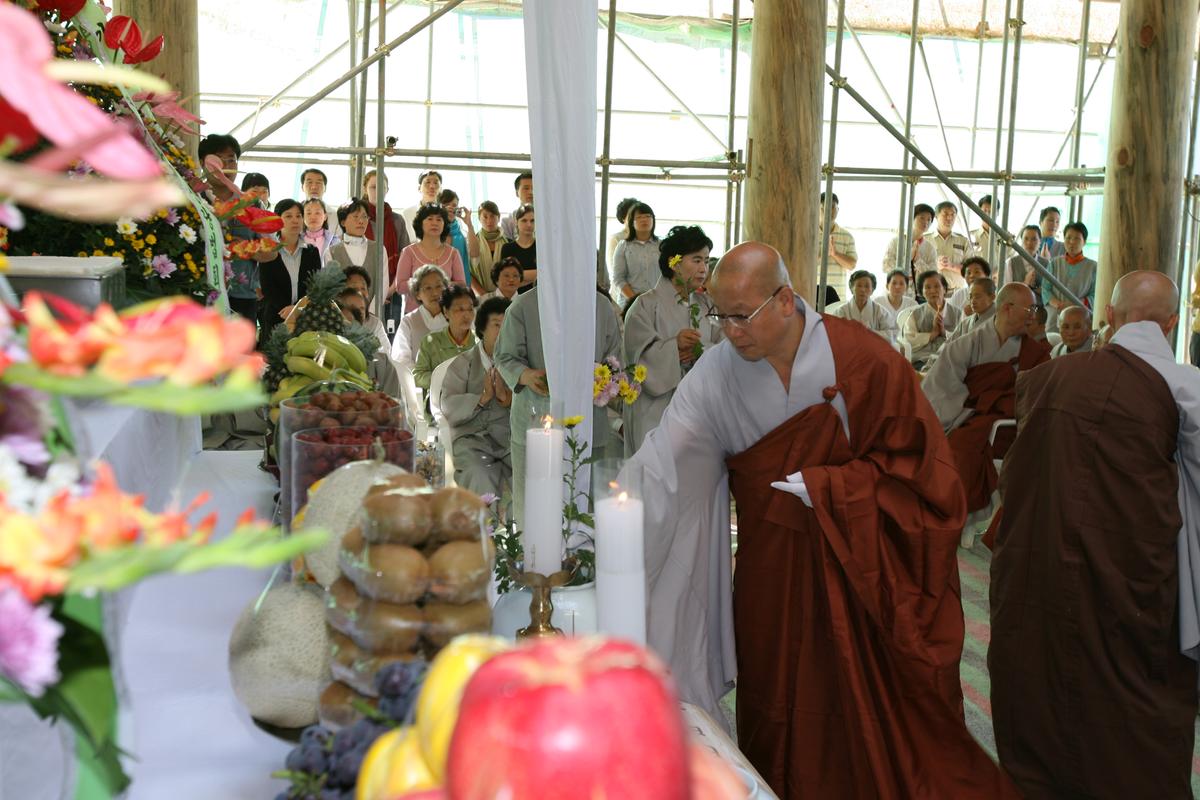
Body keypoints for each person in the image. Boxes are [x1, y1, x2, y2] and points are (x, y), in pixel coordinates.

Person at [629, 241, 1018, 799]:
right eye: (720, 316)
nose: (729, 331)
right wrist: (607, 521)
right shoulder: (717, 372)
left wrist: (835, 487)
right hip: (771, 568)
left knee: (869, 711)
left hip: (860, 567)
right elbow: (667, 460)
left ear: (786, 301)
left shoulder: (863, 360)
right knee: (775, 698)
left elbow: (928, 481)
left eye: (742, 316)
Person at [990, 271, 1200, 800]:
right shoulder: (1188, 387)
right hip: (1137, 573)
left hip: (1044, 561)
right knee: (1134, 688)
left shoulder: (1052, 378)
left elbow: (1021, 475)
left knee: (1044, 669)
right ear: (1173, 321)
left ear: (1108, 315)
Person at [921, 283, 1050, 537]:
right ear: (1008, 308)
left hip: (1012, 425)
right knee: (957, 447)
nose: (1033, 315)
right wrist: (964, 414)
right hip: (970, 418)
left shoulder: (1034, 352)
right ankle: (954, 516)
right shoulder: (969, 343)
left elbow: (1039, 393)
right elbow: (942, 385)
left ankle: (965, 518)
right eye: (1029, 308)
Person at [495, 281, 621, 526]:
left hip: (590, 420)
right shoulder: (524, 304)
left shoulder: (601, 305)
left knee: (584, 502)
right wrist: (525, 375)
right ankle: (530, 561)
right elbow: (504, 355)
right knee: (535, 507)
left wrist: (606, 381)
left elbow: (614, 357)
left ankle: (581, 559)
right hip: (537, 418)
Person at [621, 225, 721, 456]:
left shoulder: (707, 305)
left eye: (706, 261)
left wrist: (701, 351)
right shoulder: (645, 305)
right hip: (655, 411)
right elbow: (637, 361)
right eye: (696, 260)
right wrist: (673, 348)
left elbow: (726, 349)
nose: (703, 269)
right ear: (674, 263)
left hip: (700, 410)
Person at [439, 297, 513, 498]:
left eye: (509, 325)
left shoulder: (518, 365)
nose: (504, 331)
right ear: (481, 329)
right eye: (497, 325)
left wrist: (508, 400)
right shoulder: (463, 364)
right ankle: (485, 529)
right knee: (479, 473)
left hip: (509, 440)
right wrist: (482, 398)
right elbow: (448, 405)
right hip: (472, 440)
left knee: (532, 472)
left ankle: (525, 530)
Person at [258, 199, 322, 345]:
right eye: (288, 216)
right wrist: (287, 310)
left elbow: (315, 285)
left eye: (298, 216)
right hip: (276, 317)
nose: (295, 220)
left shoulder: (312, 252)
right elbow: (268, 286)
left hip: (304, 319)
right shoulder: (269, 249)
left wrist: (298, 309)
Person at [393, 203, 466, 314]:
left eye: (439, 220)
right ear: (420, 223)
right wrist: (425, 284)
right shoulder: (408, 252)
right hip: (415, 315)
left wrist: (440, 285)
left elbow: (461, 285)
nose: (434, 223)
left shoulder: (453, 253)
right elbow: (400, 287)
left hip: (446, 314)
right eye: (430, 219)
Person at [414, 284, 477, 399]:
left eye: (470, 309)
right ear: (446, 311)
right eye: (460, 309)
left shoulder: (479, 343)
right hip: (438, 405)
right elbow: (418, 376)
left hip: (474, 405)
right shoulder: (431, 342)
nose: (466, 315)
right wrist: (443, 380)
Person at [362, 169, 412, 306]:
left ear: (387, 190)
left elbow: (405, 258)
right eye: (373, 187)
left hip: (392, 291)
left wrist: (389, 290)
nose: (378, 191)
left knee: (390, 327)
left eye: (382, 188)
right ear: (365, 189)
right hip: (361, 293)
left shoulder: (397, 220)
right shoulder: (358, 219)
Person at [390, 264, 449, 372]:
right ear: (417, 294)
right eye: (428, 288)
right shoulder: (409, 321)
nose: (435, 293)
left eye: (439, 286)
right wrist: (422, 379)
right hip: (418, 385)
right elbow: (401, 358)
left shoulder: (455, 317)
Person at [900, 269, 962, 369]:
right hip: (922, 359)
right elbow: (909, 339)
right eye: (927, 287)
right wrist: (932, 334)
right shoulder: (915, 314)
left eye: (937, 286)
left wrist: (944, 332)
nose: (933, 291)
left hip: (950, 358)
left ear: (945, 289)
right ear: (921, 292)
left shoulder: (958, 313)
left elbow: (963, 339)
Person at [1042, 221, 1095, 332]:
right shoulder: (1054, 263)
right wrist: (1058, 304)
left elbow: (1095, 294)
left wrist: (1075, 303)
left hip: (1081, 316)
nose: (1072, 242)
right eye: (1068, 238)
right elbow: (1045, 288)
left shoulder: (1093, 267)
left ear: (1084, 242)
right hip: (1055, 315)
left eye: (1077, 239)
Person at [610, 202, 662, 303]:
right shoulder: (623, 246)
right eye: (639, 217)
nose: (644, 220)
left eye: (648, 216)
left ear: (653, 220)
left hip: (658, 301)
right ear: (631, 222)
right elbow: (618, 278)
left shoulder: (661, 246)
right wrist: (635, 300)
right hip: (630, 302)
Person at [882, 203, 937, 286]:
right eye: (922, 218)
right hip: (896, 289)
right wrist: (908, 258)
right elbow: (886, 267)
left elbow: (932, 274)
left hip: (919, 293)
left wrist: (918, 261)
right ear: (912, 218)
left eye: (929, 220)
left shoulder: (930, 248)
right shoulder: (896, 241)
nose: (925, 222)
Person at [833, 270, 895, 340]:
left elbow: (890, 335)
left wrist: (870, 332)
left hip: (874, 349)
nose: (862, 289)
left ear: (872, 290)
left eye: (866, 286)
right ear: (851, 288)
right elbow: (835, 335)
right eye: (859, 285)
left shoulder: (881, 312)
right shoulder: (841, 311)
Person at [342, 265, 389, 353]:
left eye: (363, 288)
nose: (360, 293)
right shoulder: (332, 321)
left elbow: (386, 356)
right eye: (354, 289)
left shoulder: (375, 324)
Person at [816, 192, 858, 290]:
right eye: (824, 208)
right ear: (818, 209)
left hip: (838, 295)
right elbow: (804, 265)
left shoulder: (847, 236)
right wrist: (824, 255)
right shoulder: (810, 234)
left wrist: (835, 254)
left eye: (833, 207)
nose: (829, 211)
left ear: (838, 209)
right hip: (813, 293)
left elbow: (851, 265)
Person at [438, 189, 475, 288]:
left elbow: (475, 254)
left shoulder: (462, 231)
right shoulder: (433, 232)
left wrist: (469, 224)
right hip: (438, 286)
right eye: (446, 205)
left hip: (460, 287)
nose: (450, 208)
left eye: (454, 205)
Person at [929, 201, 970, 290]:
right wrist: (935, 266)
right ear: (936, 216)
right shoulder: (926, 239)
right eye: (945, 214)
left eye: (953, 215)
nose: (949, 218)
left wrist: (951, 265)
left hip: (956, 293)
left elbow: (970, 270)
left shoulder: (963, 241)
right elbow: (915, 268)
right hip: (931, 291)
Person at [470, 200, 508, 294]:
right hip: (480, 295)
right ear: (479, 218)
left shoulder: (507, 243)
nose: (489, 221)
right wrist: (483, 294)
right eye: (485, 217)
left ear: (498, 218)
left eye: (492, 216)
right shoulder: (473, 242)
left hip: (505, 293)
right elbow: (468, 272)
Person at [498, 204, 536, 286]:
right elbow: (507, 281)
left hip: (540, 296)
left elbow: (546, 275)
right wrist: (536, 274)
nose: (529, 225)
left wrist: (517, 274)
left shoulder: (541, 248)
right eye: (524, 220)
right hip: (515, 297)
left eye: (532, 221)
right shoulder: (507, 248)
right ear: (516, 222)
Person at [301, 168, 340, 239]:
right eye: (309, 182)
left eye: (319, 183)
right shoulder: (295, 212)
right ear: (302, 187)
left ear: (325, 188)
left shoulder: (335, 215)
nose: (314, 187)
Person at [301, 198, 339, 264]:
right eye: (309, 213)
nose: (313, 217)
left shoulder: (334, 241)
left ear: (325, 216)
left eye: (317, 213)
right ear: (303, 217)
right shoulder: (297, 240)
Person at [606, 196, 639, 270]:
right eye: (631, 214)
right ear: (623, 218)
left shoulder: (645, 236)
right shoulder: (616, 238)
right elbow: (613, 268)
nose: (635, 217)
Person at [500, 171, 533, 240]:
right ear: (517, 193)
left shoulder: (548, 218)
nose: (531, 192)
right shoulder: (508, 221)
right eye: (526, 188)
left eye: (534, 188)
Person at [970, 194, 996, 259]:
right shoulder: (970, 236)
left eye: (991, 211)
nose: (988, 214)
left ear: (998, 212)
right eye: (985, 211)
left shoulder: (1005, 238)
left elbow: (1010, 262)